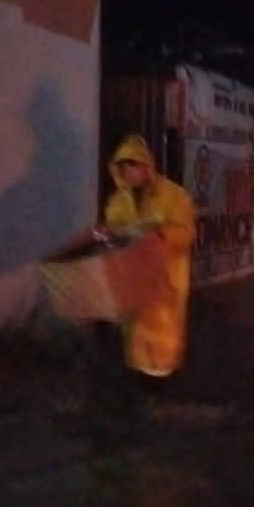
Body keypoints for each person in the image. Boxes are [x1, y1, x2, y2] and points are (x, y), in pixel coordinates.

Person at [89, 134, 195, 440]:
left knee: (161, 357)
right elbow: (113, 235)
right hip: (134, 288)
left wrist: (156, 235)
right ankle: (146, 412)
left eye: (132, 167)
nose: (128, 174)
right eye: (122, 169)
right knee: (136, 352)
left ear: (146, 166)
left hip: (164, 289)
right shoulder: (117, 202)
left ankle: (160, 409)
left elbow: (185, 233)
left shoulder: (174, 196)